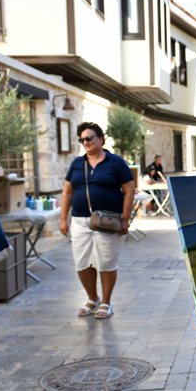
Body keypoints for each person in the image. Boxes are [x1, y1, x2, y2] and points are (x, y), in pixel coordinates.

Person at [59, 122, 134, 320]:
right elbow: (67, 192)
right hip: (80, 221)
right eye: (82, 139)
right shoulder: (77, 163)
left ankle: (106, 302)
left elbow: (128, 191)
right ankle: (92, 298)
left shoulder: (115, 162)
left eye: (89, 138)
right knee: (82, 263)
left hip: (108, 220)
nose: (86, 142)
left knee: (106, 262)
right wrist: (63, 219)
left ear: (101, 139)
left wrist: (125, 220)